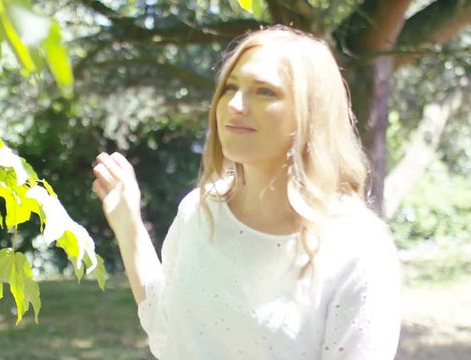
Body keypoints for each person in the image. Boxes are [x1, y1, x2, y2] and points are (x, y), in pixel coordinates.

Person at [91, 25, 401, 360]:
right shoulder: (198, 212)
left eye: (264, 91)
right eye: (230, 87)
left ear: (311, 113)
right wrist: (127, 224)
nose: (235, 104)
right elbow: (169, 332)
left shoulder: (357, 248)